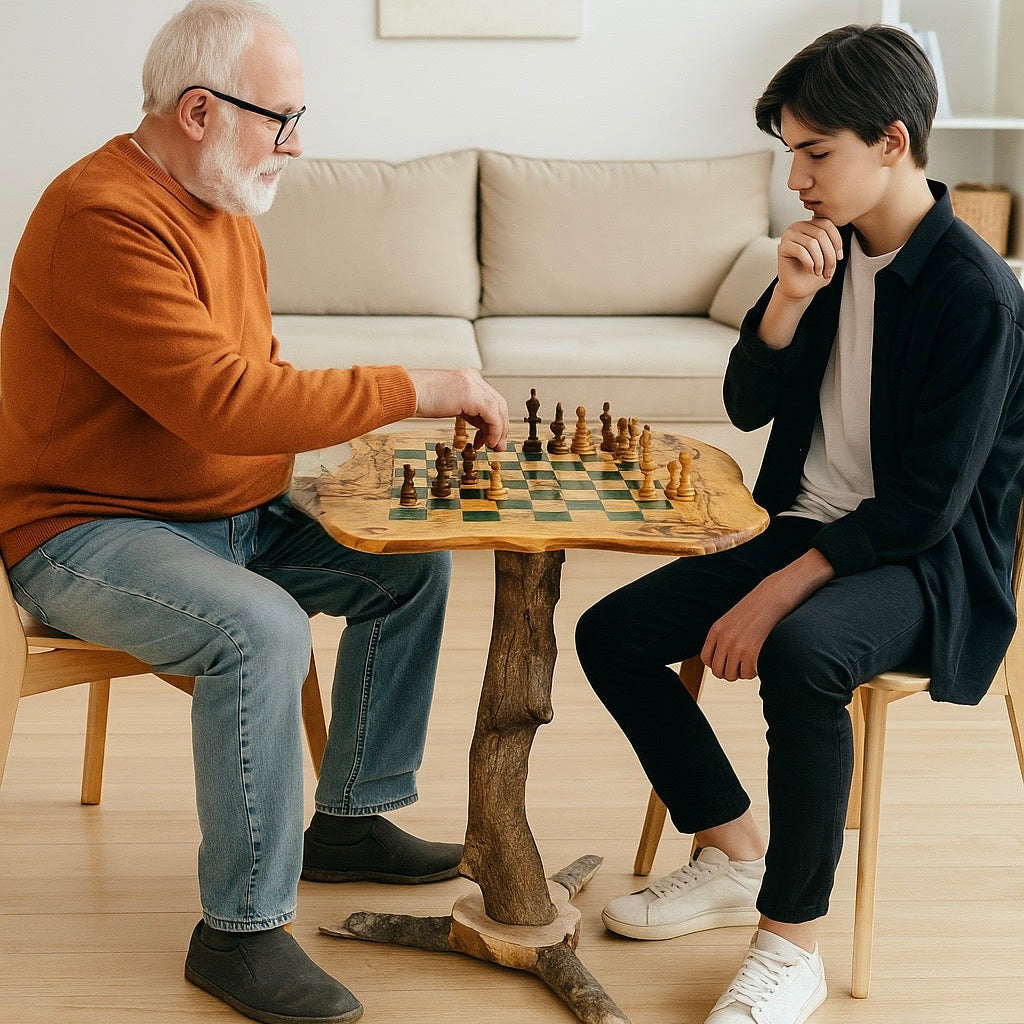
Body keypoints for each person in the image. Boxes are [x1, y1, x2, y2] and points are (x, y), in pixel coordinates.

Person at [0, 2, 509, 1023]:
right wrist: (419, 386)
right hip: (86, 528)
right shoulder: (101, 214)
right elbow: (220, 403)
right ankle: (238, 932)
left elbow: (254, 374)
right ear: (198, 110)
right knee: (258, 626)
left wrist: (343, 486)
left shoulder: (223, 201)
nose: (296, 141)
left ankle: (352, 820)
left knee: (407, 563)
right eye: (279, 117)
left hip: (225, 507)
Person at [575, 23, 1024, 1024]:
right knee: (609, 633)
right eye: (791, 152)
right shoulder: (828, 256)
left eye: (815, 151)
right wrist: (784, 298)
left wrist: (777, 587)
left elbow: (927, 505)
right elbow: (745, 402)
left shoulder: (976, 294)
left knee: (804, 652)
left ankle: (791, 946)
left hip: (926, 562)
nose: (797, 177)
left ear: (893, 142)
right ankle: (735, 849)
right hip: (809, 528)